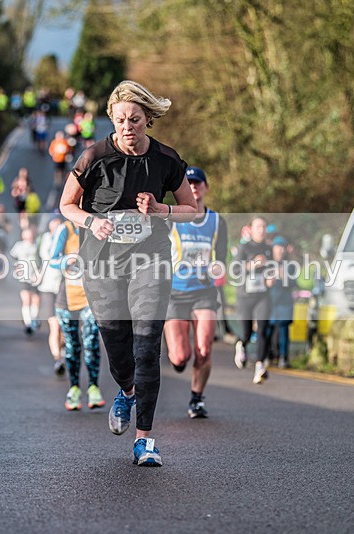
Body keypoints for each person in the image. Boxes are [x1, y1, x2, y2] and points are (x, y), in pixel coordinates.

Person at [60, 79, 197, 467]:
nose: (126, 126)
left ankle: (145, 440)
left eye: (134, 119)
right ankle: (127, 390)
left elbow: (194, 209)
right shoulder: (94, 157)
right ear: (112, 120)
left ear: (147, 119)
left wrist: (161, 210)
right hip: (102, 262)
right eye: (120, 119)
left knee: (147, 343)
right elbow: (66, 204)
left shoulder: (167, 160)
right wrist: (90, 222)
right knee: (118, 344)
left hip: (150, 259)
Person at [164, 166, 227, 419]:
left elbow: (222, 258)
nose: (194, 187)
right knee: (181, 357)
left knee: (204, 349)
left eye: (198, 183)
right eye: (189, 183)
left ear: (206, 187)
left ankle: (197, 399)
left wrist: (217, 267)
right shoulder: (171, 218)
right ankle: (177, 358)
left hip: (204, 292)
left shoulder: (216, 221)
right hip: (176, 292)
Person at [50, 218, 105, 411]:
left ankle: (93, 387)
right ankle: (73, 388)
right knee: (72, 345)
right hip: (67, 298)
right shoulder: (64, 229)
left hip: (91, 297)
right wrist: (69, 259)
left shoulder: (98, 226)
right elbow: (52, 260)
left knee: (90, 341)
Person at [234, 216, 274, 384]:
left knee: (263, 328)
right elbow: (235, 270)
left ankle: (260, 367)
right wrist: (251, 266)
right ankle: (240, 344)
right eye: (258, 227)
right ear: (251, 229)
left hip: (262, 295)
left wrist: (271, 277)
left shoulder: (268, 248)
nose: (261, 230)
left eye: (264, 227)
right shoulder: (243, 248)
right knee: (247, 333)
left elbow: (271, 267)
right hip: (245, 296)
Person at [37, 215, 65, 376]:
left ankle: (62, 351)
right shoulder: (44, 239)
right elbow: (38, 259)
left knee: (63, 326)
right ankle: (58, 359)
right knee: (54, 325)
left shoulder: (66, 237)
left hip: (63, 285)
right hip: (47, 286)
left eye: (58, 222)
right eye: (53, 222)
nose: (55, 225)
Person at [265, 236, 295, 368]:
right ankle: (266, 355)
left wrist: (284, 277)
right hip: (270, 302)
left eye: (282, 248)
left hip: (285, 302)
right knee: (268, 330)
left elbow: (294, 283)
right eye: (277, 247)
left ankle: (284, 357)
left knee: (283, 331)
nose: (280, 251)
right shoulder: (267, 264)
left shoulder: (290, 266)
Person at [10, 227, 41, 335]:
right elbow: (13, 257)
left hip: (36, 276)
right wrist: (17, 267)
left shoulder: (37, 245)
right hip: (24, 276)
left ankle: (34, 319)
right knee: (26, 299)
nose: (29, 237)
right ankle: (28, 323)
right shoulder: (19, 246)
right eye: (27, 234)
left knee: (36, 300)